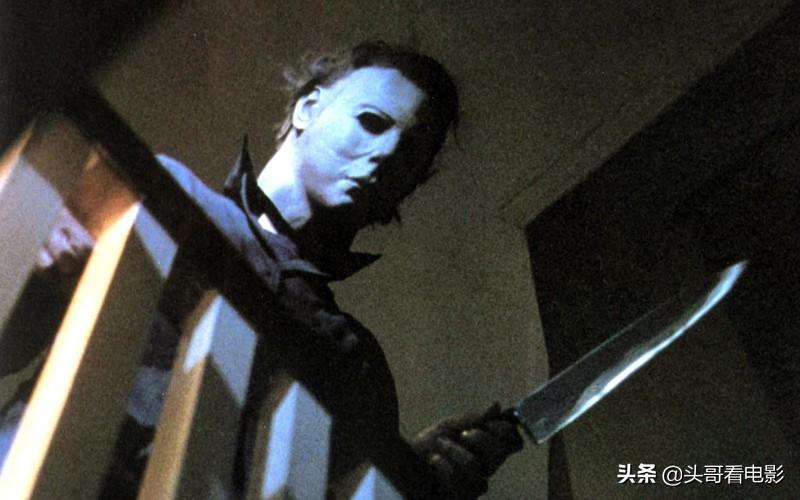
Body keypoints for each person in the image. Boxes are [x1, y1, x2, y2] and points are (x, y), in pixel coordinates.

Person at [3, 41, 523, 498]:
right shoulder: (169, 193)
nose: (386, 153)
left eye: (409, 156)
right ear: (308, 109)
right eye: (372, 121)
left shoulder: (357, 364)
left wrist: (402, 479)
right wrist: (32, 247)